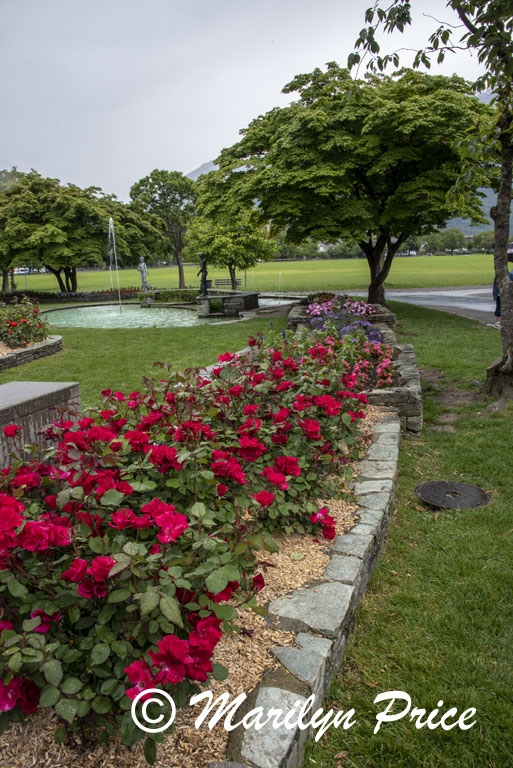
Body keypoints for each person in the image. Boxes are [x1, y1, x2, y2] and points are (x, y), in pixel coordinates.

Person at [492, 260, 513, 328]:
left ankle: (499, 322)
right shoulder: (508, 275)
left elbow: (495, 286)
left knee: (500, 308)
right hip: (502, 294)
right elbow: (495, 286)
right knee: (500, 308)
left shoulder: (501, 276)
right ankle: (500, 322)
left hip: (502, 294)